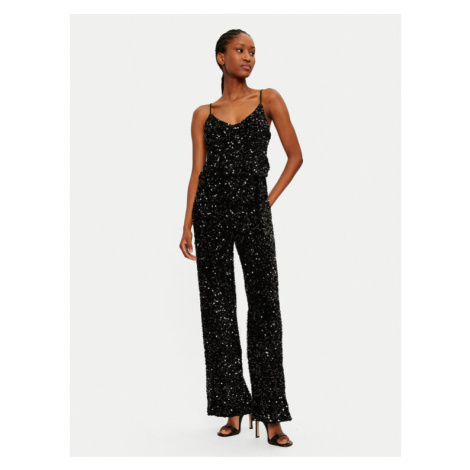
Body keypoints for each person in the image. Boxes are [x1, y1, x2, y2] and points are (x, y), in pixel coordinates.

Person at [179, 29, 303, 447]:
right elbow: (197, 171)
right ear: (221, 57)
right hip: (210, 214)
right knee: (217, 309)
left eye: (252, 51)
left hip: (253, 213)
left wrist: (266, 201)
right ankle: (234, 405)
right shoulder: (203, 113)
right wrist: (186, 224)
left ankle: (272, 414)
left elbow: (296, 156)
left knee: (265, 306)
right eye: (240, 50)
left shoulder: (268, 99)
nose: (248, 57)